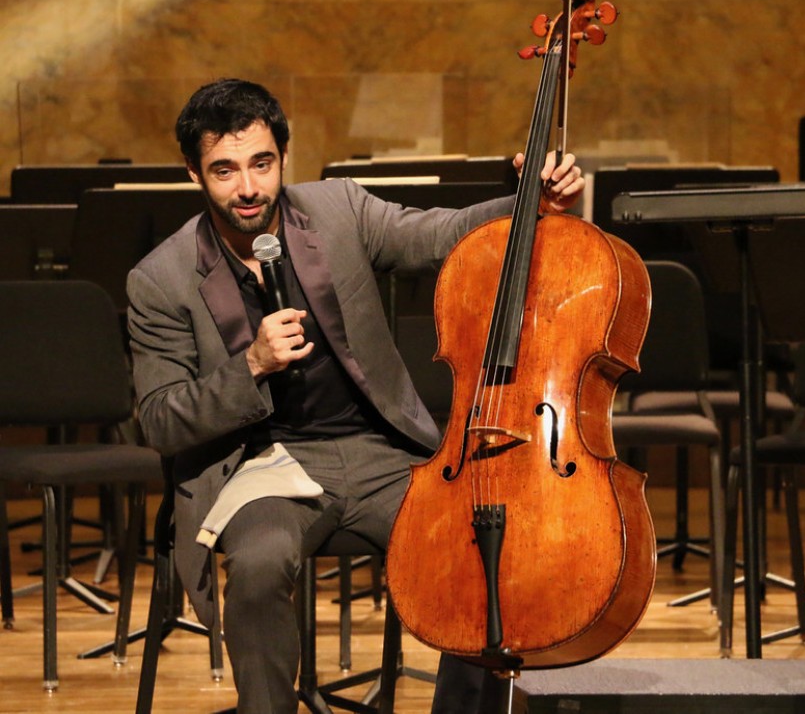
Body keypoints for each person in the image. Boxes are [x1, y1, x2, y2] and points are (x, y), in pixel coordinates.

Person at [127, 77, 584, 714]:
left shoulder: (339, 209)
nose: (249, 188)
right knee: (257, 571)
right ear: (193, 173)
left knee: (480, 546)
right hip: (263, 467)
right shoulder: (161, 278)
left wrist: (526, 203)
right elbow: (158, 421)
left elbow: (437, 235)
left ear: (284, 155)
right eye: (224, 171)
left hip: (377, 452)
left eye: (261, 164)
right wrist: (251, 364)